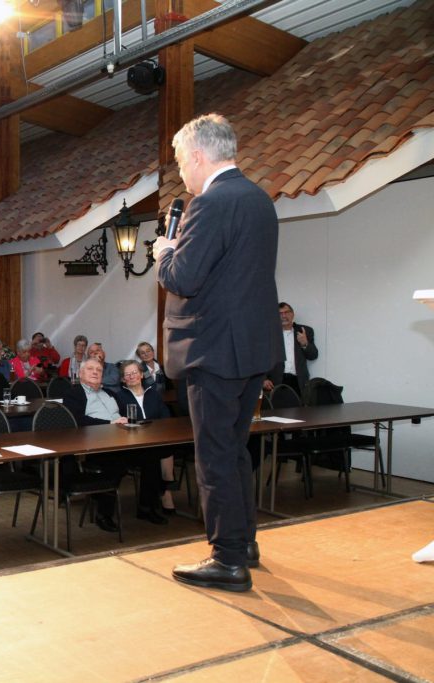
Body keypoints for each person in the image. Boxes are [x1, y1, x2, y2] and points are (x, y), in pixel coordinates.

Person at [153, 113, 281, 593]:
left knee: (214, 456)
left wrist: (164, 252)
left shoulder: (209, 203)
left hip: (213, 351)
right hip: (251, 348)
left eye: (181, 162)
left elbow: (183, 278)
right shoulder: (258, 199)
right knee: (234, 449)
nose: (182, 171)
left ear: (198, 156)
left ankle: (227, 560)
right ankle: (243, 544)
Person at [61, 358, 127, 532]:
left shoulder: (110, 393)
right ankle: (104, 514)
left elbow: (125, 413)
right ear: (80, 373)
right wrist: (109, 424)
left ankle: (148, 506)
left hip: (121, 437)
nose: (95, 372)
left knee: (154, 454)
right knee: (115, 462)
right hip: (92, 442)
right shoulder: (74, 393)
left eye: (99, 369)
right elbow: (76, 420)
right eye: (90, 369)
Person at [111, 360, 170, 523]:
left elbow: (165, 417)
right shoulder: (119, 397)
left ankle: (156, 499)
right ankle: (149, 506)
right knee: (153, 459)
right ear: (123, 379)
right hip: (131, 445)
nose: (132, 376)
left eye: (135, 372)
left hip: (155, 440)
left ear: (142, 375)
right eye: (127, 374)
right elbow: (118, 423)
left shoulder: (153, 394)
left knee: (165, 451)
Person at [264, 302, 318, 397]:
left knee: (300, 407)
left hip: (299, 382)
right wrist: (263, 379)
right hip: (274, 382)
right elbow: (260, 359)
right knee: (275, 407)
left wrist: (305, 343)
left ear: (292, 314)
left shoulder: (305, 331)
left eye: (286, 312)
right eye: (280, 313)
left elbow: (313, 356)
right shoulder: (268, 334)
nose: (283, 316)